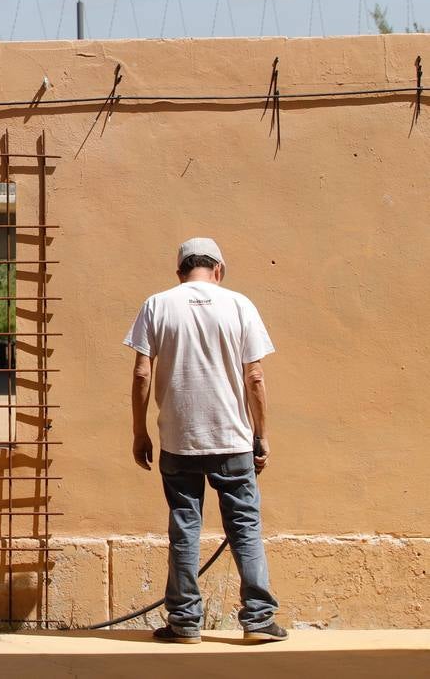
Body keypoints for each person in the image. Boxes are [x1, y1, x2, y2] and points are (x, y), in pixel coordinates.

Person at [124, 238, 287, 644]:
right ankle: (258, 620)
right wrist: (261, 434)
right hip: (232, 437)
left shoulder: (157, 304)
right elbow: (255, 377)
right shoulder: (239, 305)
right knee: (245, 527)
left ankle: (183, 623)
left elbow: (142, 373)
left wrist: (139, 431)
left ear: (180, 271)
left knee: (184, 527)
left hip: (178, 439)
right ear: (218, 270)